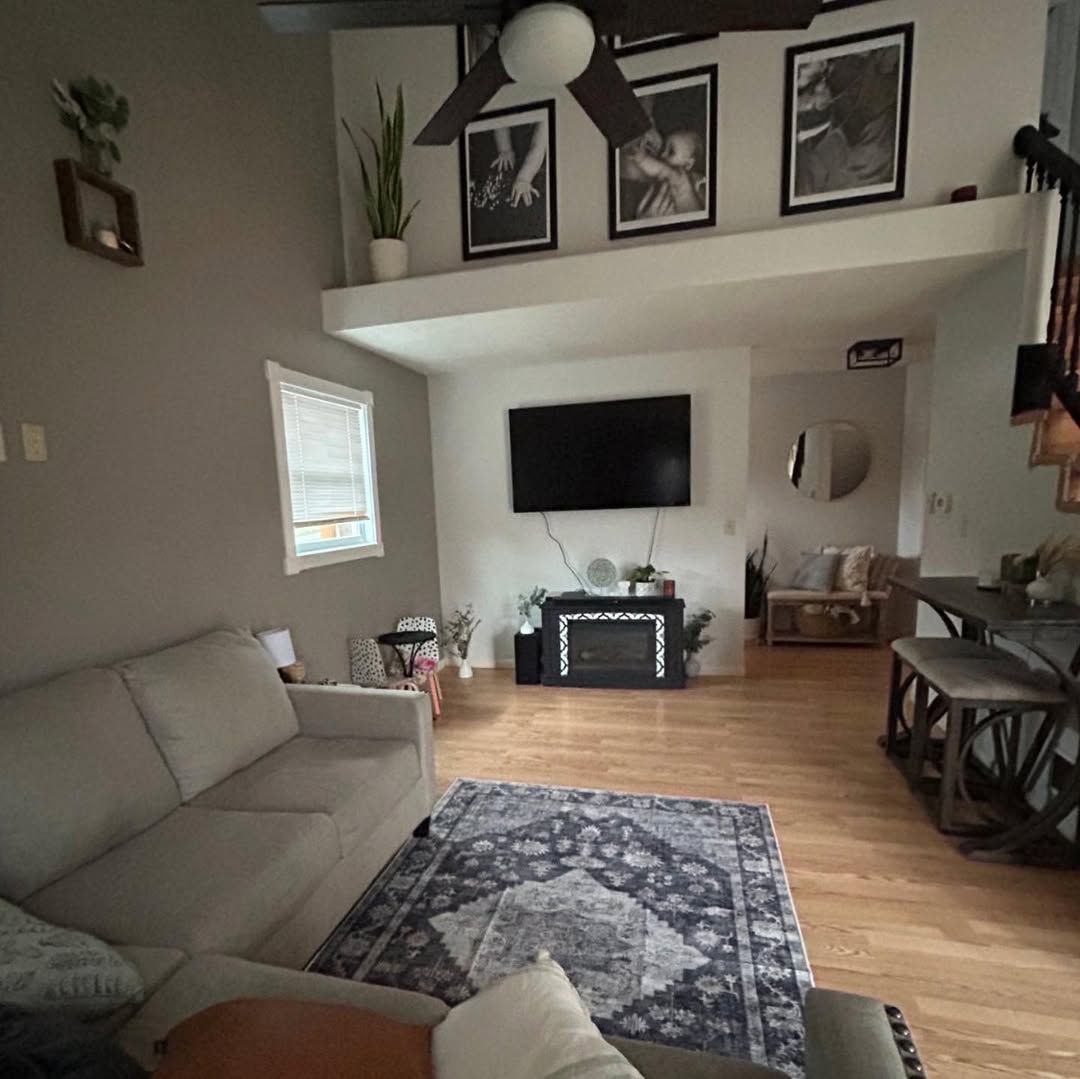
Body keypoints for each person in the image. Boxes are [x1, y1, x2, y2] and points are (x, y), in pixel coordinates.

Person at [623, 130, 706, 218]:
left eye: (671, 152)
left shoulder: (697, 182)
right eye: (663, 149)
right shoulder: (658, 182)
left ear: (689, 164)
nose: (662, 155)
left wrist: (642, 158)